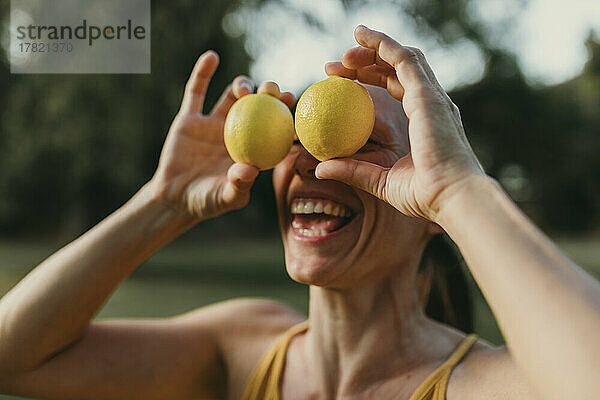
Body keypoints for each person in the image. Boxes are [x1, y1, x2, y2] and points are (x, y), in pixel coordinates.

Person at [1, 25, 599, 400]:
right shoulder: (241, 351)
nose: (312, 163)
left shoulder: (478, 385)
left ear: (430, 210)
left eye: (358, 146)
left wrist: (458, 190)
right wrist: (162, 202)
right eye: (300, 137)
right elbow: (12, 359)